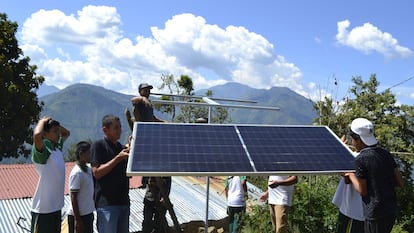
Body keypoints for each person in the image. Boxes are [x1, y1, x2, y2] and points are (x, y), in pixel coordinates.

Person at [344, 118, 404, 233]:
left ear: (359, 140)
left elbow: (363, 191)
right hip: (390, 210)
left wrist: (351, 175)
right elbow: (400, 182)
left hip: (375, 213)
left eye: (352, 139)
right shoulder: (385, 153)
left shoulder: (361, 159)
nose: (352, 143)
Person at [90, 115, 130, 233]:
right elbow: (96, 173)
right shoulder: (98, 146)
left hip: (123, 202)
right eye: (116, 128)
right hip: (107, 205)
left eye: (120, 127)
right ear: (105, 130)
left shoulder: (121, 148)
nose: (119, 131)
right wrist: (117, 159)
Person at [30, 117, 70, 233]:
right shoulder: (43, 152)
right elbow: (37, 135)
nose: (59, 134)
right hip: (43, 210)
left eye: (58, 131)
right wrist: (42, 122)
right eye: (55, 131)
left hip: (56, 207)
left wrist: (55, 124)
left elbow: (66, 133)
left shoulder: (57, 149)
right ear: (45, 134)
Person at [331, 135, 365, 233]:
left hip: (352, 211)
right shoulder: (372, 156)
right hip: (354, 209)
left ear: (359, 141)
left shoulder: (357, 158)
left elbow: (346, 178)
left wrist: (338, 149)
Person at [68, 141, 95, 233]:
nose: (91, 155)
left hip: (87, 213)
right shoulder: (77, 173)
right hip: (79, 216)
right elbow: (73, 196)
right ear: (81, 154)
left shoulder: (88, 169)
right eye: (88, 153)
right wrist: (78, 220)